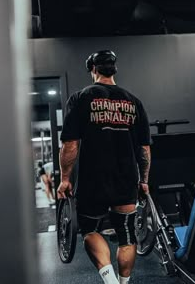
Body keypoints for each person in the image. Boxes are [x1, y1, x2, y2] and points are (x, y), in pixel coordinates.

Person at [57, 50, 151, 284]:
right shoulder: (133, 101)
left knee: (90, 230)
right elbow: (144, 149)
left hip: (92, 179)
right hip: (126, 177)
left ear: (93, 70)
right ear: (114, 69)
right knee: (127, 237)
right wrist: (144, 180)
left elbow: (70, 144)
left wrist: (65, 179)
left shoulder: (81, 98)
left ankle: (110, 283)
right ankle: (123, 282)